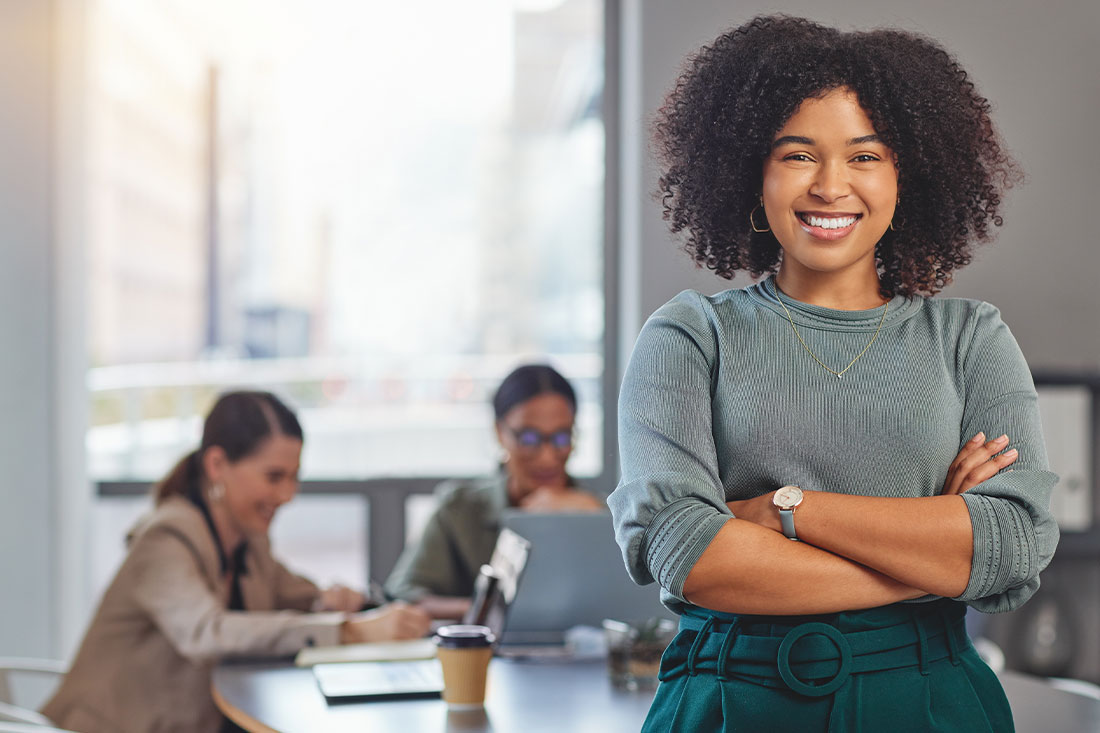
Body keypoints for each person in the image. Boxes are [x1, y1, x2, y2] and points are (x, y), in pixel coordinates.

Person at [609, 15, 1059, 732]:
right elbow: (689, 553)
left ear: (906, 174)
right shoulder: (689, 335)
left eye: (864, 156)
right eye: (797, 155)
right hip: (732, 699)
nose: (829, 185)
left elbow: (1014, 543)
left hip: (931, 701)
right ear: (750, 172)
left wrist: (786, 509)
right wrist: (932, 553)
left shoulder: (971, 338)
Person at [42, 390, 431, 733]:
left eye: (295, 477)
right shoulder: (164, 540)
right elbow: (208, 633)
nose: (288, 494)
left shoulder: (247, 539)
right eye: (274, 476)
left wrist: (334, 603)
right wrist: (350, 631)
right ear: (216, 465)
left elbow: (294, 593)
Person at [385, 364, 603, 619]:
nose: (547, 458)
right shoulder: (460, 509)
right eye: (529, 439)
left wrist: (595, 516)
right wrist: (491, 612)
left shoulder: (598, 512)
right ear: (500, 432)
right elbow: (403, 596)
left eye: (562, 438)